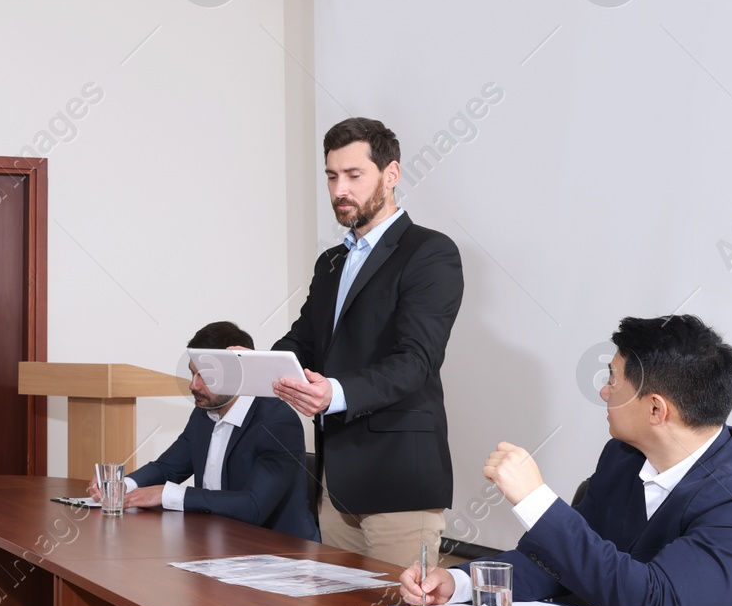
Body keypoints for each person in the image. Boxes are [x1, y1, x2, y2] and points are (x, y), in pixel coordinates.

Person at [401, 315, 732, 606]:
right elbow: (561, 562)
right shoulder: (625, 456)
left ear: (656, 410)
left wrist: (535, 500)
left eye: (614, 380)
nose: (603, 391)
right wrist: (460, 582)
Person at [270, 117, 464, 569]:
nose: (340, 189)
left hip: (399, 483)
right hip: (336, 485)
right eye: (332, 176)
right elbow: (304, 341)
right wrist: (255, 363)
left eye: (354, 175)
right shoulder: (331, 262)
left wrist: (333, 393)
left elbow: (416, 360)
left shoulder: (430, 252)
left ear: (390, 175)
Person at [91, 321, 318, 540]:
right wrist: (122, 486)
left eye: (205, 377)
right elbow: (168, 467)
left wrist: (167, 494)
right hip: (218, 543)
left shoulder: (277, 421)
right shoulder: (205, 412)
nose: (193, 386)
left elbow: (253, 506)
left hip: (278, 555)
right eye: (193, 373)